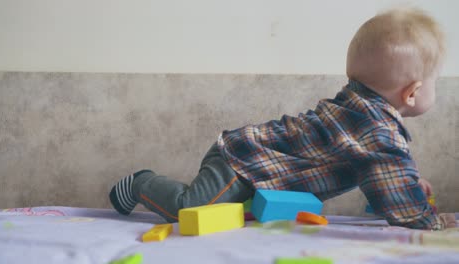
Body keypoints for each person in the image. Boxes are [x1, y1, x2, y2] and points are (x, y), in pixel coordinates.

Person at [110, 7, 456, 230]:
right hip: (240, 161)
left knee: (221, 219)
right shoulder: (378, 130)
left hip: (255, 166)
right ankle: (142, 182)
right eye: (435, 83)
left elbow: (382, 177)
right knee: (190, 209)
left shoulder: (360, 112)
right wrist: (430, 219)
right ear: (412, 92)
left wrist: (411, 184)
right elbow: (402, 203)